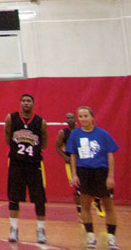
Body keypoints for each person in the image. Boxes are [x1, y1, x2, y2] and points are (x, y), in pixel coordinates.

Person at [66, 106, 119, 250]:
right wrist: (74, 174)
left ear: (92, 118)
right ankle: (90, 235)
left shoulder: (103, 134)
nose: (83, 119)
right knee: (85, 205)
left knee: (108, 205)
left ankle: (111, 238)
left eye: (85, 116)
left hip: (101, 172)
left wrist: (110, 176)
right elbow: (72, 155)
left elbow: (110, 155)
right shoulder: (75, 134)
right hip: (84, 172)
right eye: (81, 116)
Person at [5, 93, 49, 244]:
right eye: (23, 101)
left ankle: (41, 230)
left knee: (39, 199)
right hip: (16, 164)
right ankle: (13, 229)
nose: (25, 103)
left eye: (28, 101)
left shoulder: (40, 122)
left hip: (34, 165)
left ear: (33, 103)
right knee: (14, 197)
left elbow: (44, 143)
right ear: (20, 103)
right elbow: (7, 138)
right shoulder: (11, 118)